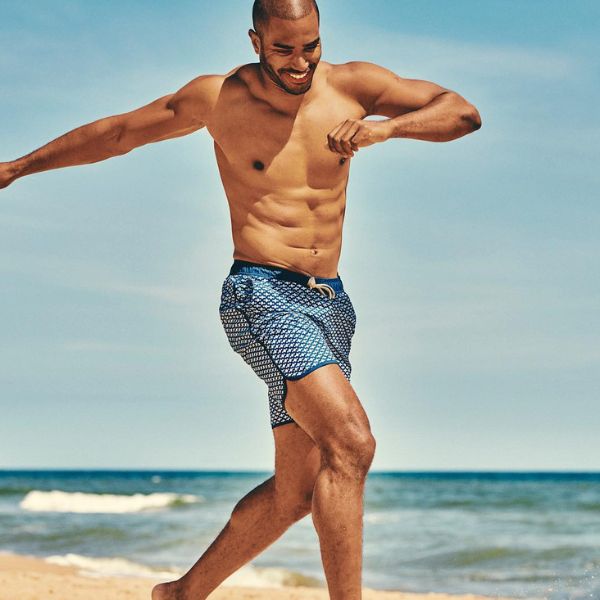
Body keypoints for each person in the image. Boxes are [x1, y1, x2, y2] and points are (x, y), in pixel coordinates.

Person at [0, 0, 481, 598]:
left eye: (310, 46)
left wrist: (388, 128)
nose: (300, 62)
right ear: (255, 41)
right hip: (261, 293)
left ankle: (180, 594)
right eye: (284, 50)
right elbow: (119, 134)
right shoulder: (219, 98)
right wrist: (15, 168)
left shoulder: (355, 87)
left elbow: (463, 113)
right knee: (351, 443)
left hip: (331, 303)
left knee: (294, 494)